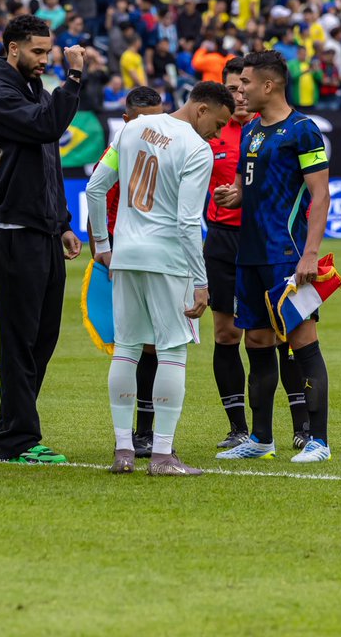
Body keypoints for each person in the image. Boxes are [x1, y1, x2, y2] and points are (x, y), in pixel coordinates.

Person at [87, 83, 231, 475]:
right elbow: (187, 222)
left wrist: (102, 242)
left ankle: (123, 451)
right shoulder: (197, 149)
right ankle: (164, 455)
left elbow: (95, 188)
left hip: (126, 255)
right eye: (217, 124)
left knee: (127, 349)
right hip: (168, 259)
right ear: (202, 109)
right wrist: (201, 282)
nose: (217, 134)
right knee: (172, 351)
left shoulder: (134, 127)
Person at [212, 50, 333, 464]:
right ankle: (261, 439)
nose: (239, 91)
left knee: (303, 343)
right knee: (258, 342)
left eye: (245, 83)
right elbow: (257, 185)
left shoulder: (303, 130)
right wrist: (237, 194)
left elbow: (320, 195)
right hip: (250, 255)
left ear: (269, 85)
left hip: (288, 255)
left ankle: (318, 441)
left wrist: (311, 254)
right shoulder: (251, 132)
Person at [0, 15, 85, 464]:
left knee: (43, 336)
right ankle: (19, 438)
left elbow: (48, 164)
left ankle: (8, 431)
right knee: (22, 338)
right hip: (13, 231)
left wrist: (61, 220)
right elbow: (46, 128)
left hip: (40, 228)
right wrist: (74, 79)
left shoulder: (32, 91)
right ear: (13, 49)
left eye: (49, 52)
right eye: (38, 52)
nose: (45, 60)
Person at [90, 88, 166, 458]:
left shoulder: (166, 145)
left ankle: (142, 433)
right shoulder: (119, 147)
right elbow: (96, 192)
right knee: (138, 344)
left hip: (157, 253)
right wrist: (101, 245)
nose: (153, 126)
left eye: (158, 118)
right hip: (128, 255)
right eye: (144, 119)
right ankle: (137, 435)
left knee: (150, 345)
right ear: (126, 120)